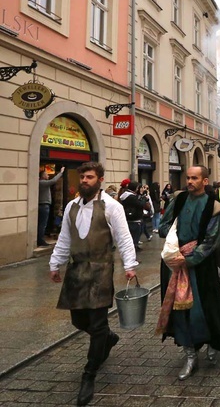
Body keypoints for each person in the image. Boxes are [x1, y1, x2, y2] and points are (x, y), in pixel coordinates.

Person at [48, 162, 138, 406]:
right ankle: (107, 338)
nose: (84, 181)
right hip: (76, 271)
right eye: (82, 177)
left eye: (89, 177)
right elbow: (65, 238)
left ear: (100, 179)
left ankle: (89, 374)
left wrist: (130, 266)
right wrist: (55, 264)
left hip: (100, 271)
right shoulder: (71, 206)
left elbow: (124, 238)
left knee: (97, 324)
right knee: (78, 320)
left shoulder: (112, 207)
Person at [158, 165, 220, 381]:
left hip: (201, 267)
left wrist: (191, 256)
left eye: (195, 178)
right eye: (188, 178)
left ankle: (212, 341)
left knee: (204, 308)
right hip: (175, 262)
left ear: (205, 181)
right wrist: (174, 240)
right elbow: (163, 225)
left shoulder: (214, 207)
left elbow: (211, 240)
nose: (190, 181)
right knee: (180, 312)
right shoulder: (179, 199)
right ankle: (190, 354)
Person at [38, 166, 65, 246]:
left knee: (43, 223)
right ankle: (40, 240)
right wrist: (61, 172)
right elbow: (53, 180)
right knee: (43, 224)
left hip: (44, 205)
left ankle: (41, 237)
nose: (48, 176)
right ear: (43, 176)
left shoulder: (41, 183)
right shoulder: (42, 182)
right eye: (46, 174)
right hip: (44, 205)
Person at [120, 181, 147, 252]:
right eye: (138, 188)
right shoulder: (131, 197)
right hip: (134, 219)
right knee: (134, 236)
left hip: (131, 218)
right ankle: (133, 251)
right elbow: (140, 204)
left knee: (136, 234)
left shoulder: (126, 195)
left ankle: (135, 247)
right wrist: (144, 198)